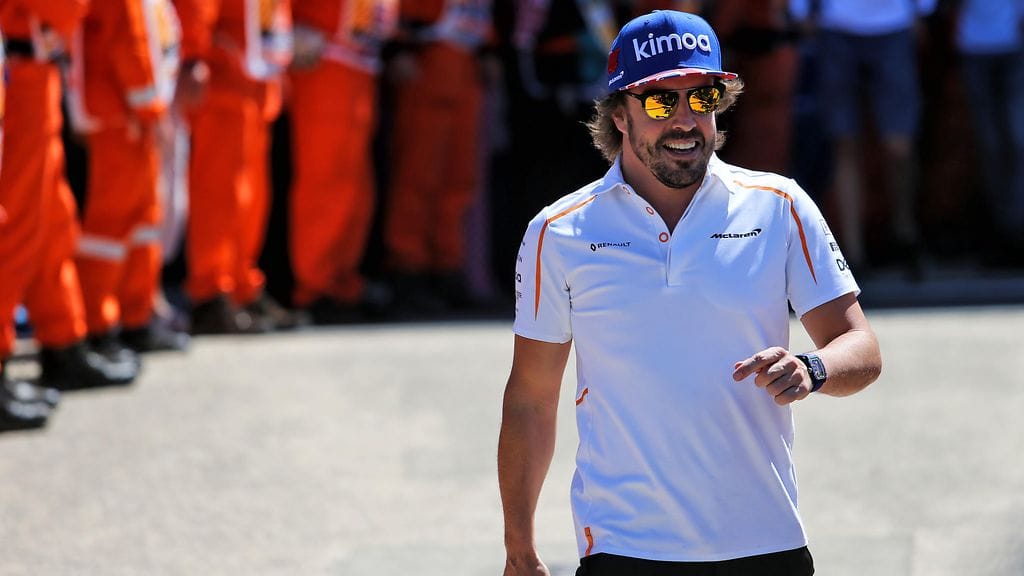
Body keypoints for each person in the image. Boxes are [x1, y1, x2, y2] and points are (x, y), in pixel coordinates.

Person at [498, 11, 882, 575]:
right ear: (619, 114)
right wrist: (519, 548)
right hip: (624, 550)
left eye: (702, 98)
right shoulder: (558, 232)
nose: (684, 119)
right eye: (661, 102)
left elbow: (861, 347)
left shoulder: (780, 205)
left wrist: (812, 368)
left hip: (765, 541)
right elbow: (531, 399)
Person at [69, 0, 190, 353]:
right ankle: (97, 322)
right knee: (111, 226)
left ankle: (135, 315)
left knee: (143, 219)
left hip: (133, 112)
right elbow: (128, 36)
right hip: (120, 112)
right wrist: (150, 107)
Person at [789, 0, 936, 272]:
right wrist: (801, 10)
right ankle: (853, 254)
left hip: (895, 25)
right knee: (844, 143)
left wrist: (924, 9)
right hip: (835, 27)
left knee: (899, 146)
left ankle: (905, 232)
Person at [287, 0, 398, 325]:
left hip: (359, 58)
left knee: (355, 186)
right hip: (323, 53)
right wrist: (292, 23)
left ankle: (340, 280)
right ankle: (315, 285)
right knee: (324, 178)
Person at [954, 0, 1024, 266]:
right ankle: (1001, 231)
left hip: (1016, 45)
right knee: (990, 147)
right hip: (975, 46)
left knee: (1018, 141)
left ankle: (1017, 229)